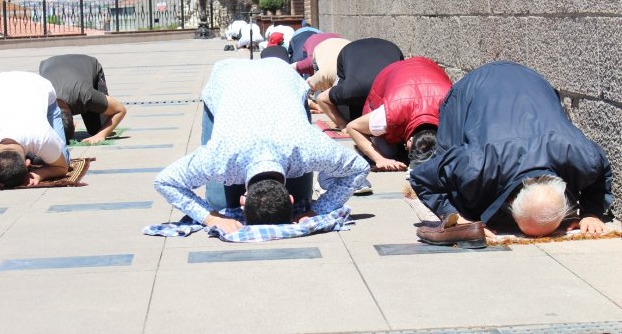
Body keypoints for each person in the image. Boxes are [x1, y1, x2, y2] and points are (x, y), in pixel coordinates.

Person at [154, 58, 371, 232]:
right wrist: (211, 217)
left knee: (221, 205)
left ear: (242, 200)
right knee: (218, 201)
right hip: (228, 79)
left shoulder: (307, 147)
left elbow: (165, 181)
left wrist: (318, 210)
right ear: (289, 198)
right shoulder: (220, 155)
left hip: (281, 76)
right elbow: (164, 181)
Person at [410, 61, 612, 243]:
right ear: (511, 201)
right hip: (471, 90)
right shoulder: (476, 162)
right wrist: (455, 217)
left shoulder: (579, 155)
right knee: (459, 192)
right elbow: (422, 177)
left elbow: (600, 170)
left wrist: (591, 213)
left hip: (534, 82)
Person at [0, 71, 69, 189]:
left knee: (63, 158)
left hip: (35, 84)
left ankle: (32, 154)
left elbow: (62, 168)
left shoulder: (43, 138)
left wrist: (39, 175)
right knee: (55, 157)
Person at [347, 57, 452, 171]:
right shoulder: (390, 115)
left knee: (390, 149)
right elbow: (352, 127)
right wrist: (380, 159)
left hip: (429, 67)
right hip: (392, 73)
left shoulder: (451, 110)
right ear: (410, 142)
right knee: (387, 152)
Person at [316, 38, 404, 130]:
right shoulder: (351, 90)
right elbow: (321, 99)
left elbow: (321, 99)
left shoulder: (350, 90)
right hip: (387, 49)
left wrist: (343, 125)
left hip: (353, 52)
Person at [39, 54, 126, 144]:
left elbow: (120, 110)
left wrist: (101, 135)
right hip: (49, 64)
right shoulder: (38, 101)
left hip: (86, 63)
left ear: (74, 124)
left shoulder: (85, 95)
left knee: (98, 129)